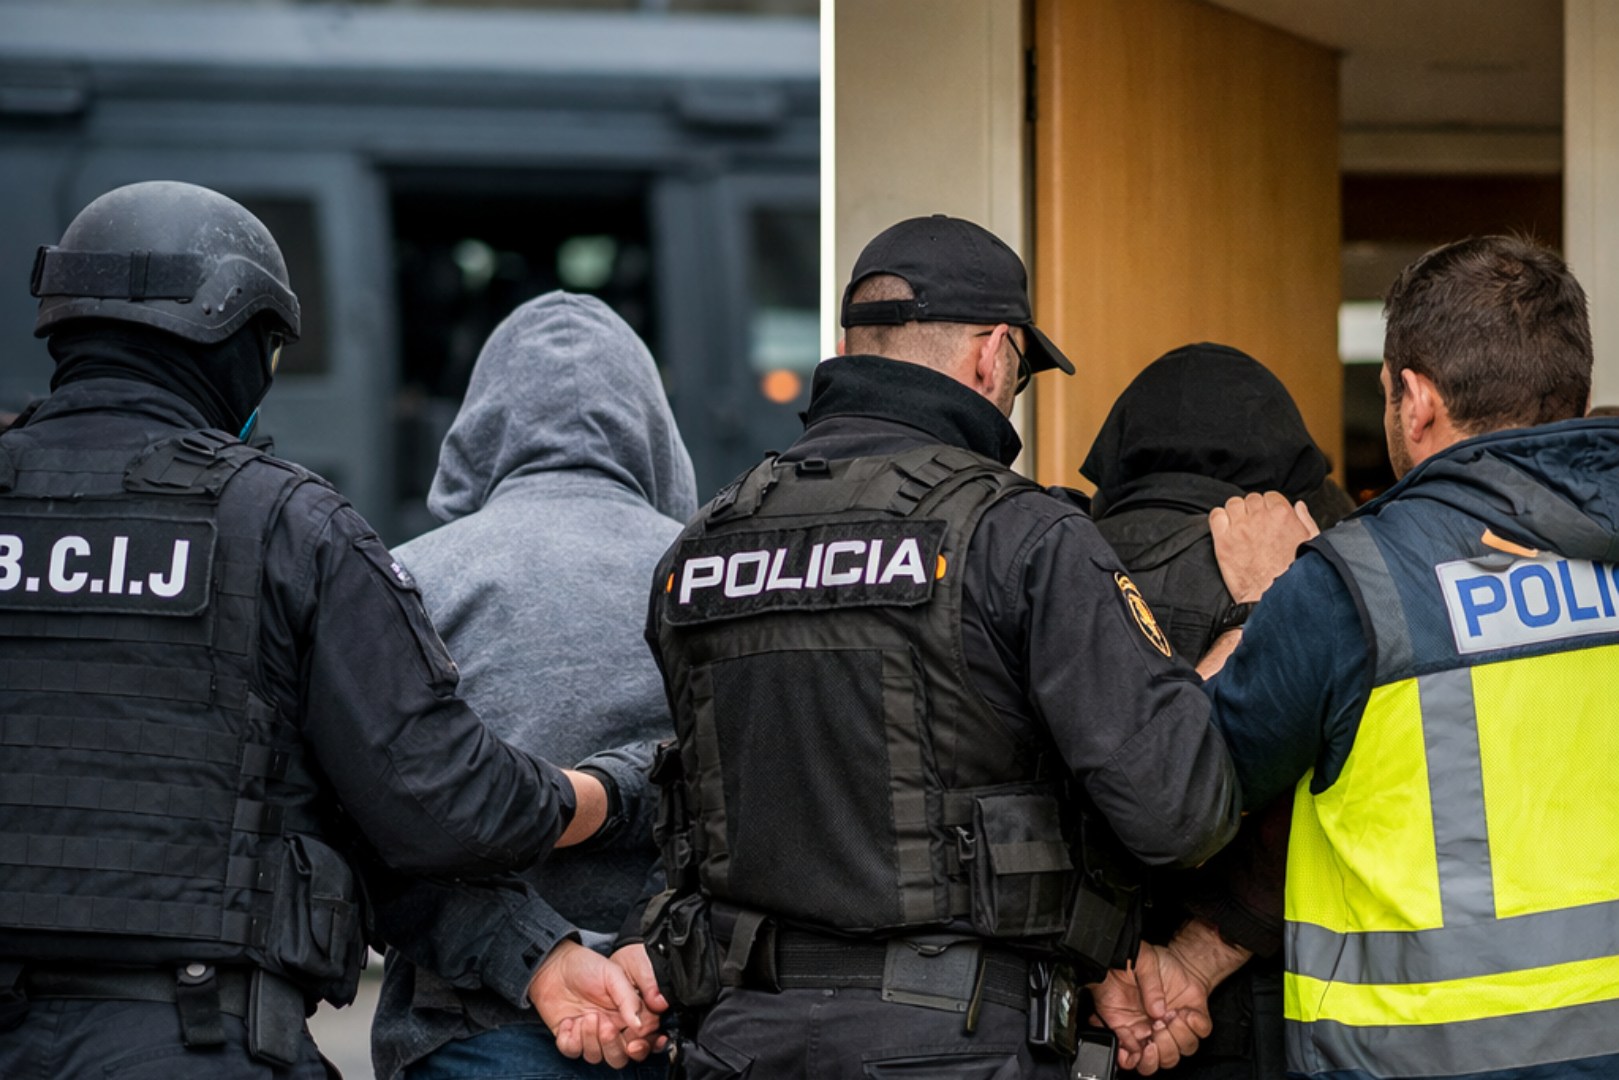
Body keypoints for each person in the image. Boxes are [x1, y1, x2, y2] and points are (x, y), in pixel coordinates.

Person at [0, 181, 648, 1079]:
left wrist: (532, 956)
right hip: (186, 1039)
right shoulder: (284, 525)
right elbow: (440, 805)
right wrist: (619, 792)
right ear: (240, 341)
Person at [639, 214, 1243, 1080]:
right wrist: (1244, 629)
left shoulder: (700, 547)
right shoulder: (1020, 536)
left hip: (736, 1040)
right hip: (954, 1046)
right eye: (1021, 372)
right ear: (992, 354)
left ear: (848, 350)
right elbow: (1178, 811)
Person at [1102, 235, 1619, 1079]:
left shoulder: (1354, 587)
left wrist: (1261, 607)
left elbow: (1176, 792)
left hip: (1424, 1058)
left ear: (1414, 402)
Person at [373, 291, 697, 1080]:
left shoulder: (409, 577)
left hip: (468, 1035)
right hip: (676, 1019)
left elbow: (374, 822)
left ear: (476, 429)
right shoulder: (708, 573)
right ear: (653, 428)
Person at [1076, 342, 1354, 1080]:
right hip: (1252, 1002)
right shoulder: (1320, 577)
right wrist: (1200, 956)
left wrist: (1096, 956)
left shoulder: (1047, 560)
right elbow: (1336, 796)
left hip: (1078, 1001)